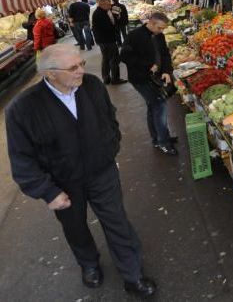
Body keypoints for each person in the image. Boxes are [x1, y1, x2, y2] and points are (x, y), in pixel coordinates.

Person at [5, 44, 156, 297]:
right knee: (75, 227)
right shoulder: (22, 108)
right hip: (62, 182)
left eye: (82, 64)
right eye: (73, 67)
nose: (81, 71)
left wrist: (110, 147)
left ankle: (133, 274)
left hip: (101, 172)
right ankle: (89, 264)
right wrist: (48, 191)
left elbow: (110, 117)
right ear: (50, 74)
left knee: (117, 221)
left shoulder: (93, 86)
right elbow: (21, 159)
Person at [119, 11, 177, 155]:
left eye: (163, 28)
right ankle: (164, 142)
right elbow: (124, 56)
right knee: (159, 105)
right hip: (141, 79)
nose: (161, 31)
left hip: (156, 78)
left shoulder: (159, 36)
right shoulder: (134, 36)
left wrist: (166, 71)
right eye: (160, 27)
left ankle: (158, 138)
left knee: (153, 107)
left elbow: (164, 54)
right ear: (151, 23)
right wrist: (147, 65)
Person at [92, 0, 126, 85]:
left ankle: (106, 78)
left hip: (104, 40)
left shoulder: (103, 11)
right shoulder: (99, 14)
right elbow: (108, 27)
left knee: (106, 59)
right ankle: (115, 79)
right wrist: (116, 25)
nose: (110, 6)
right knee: (114, 59)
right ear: (102, 4)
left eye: (110, 4)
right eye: (108, 4)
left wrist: (116, 17)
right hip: (107, 40)